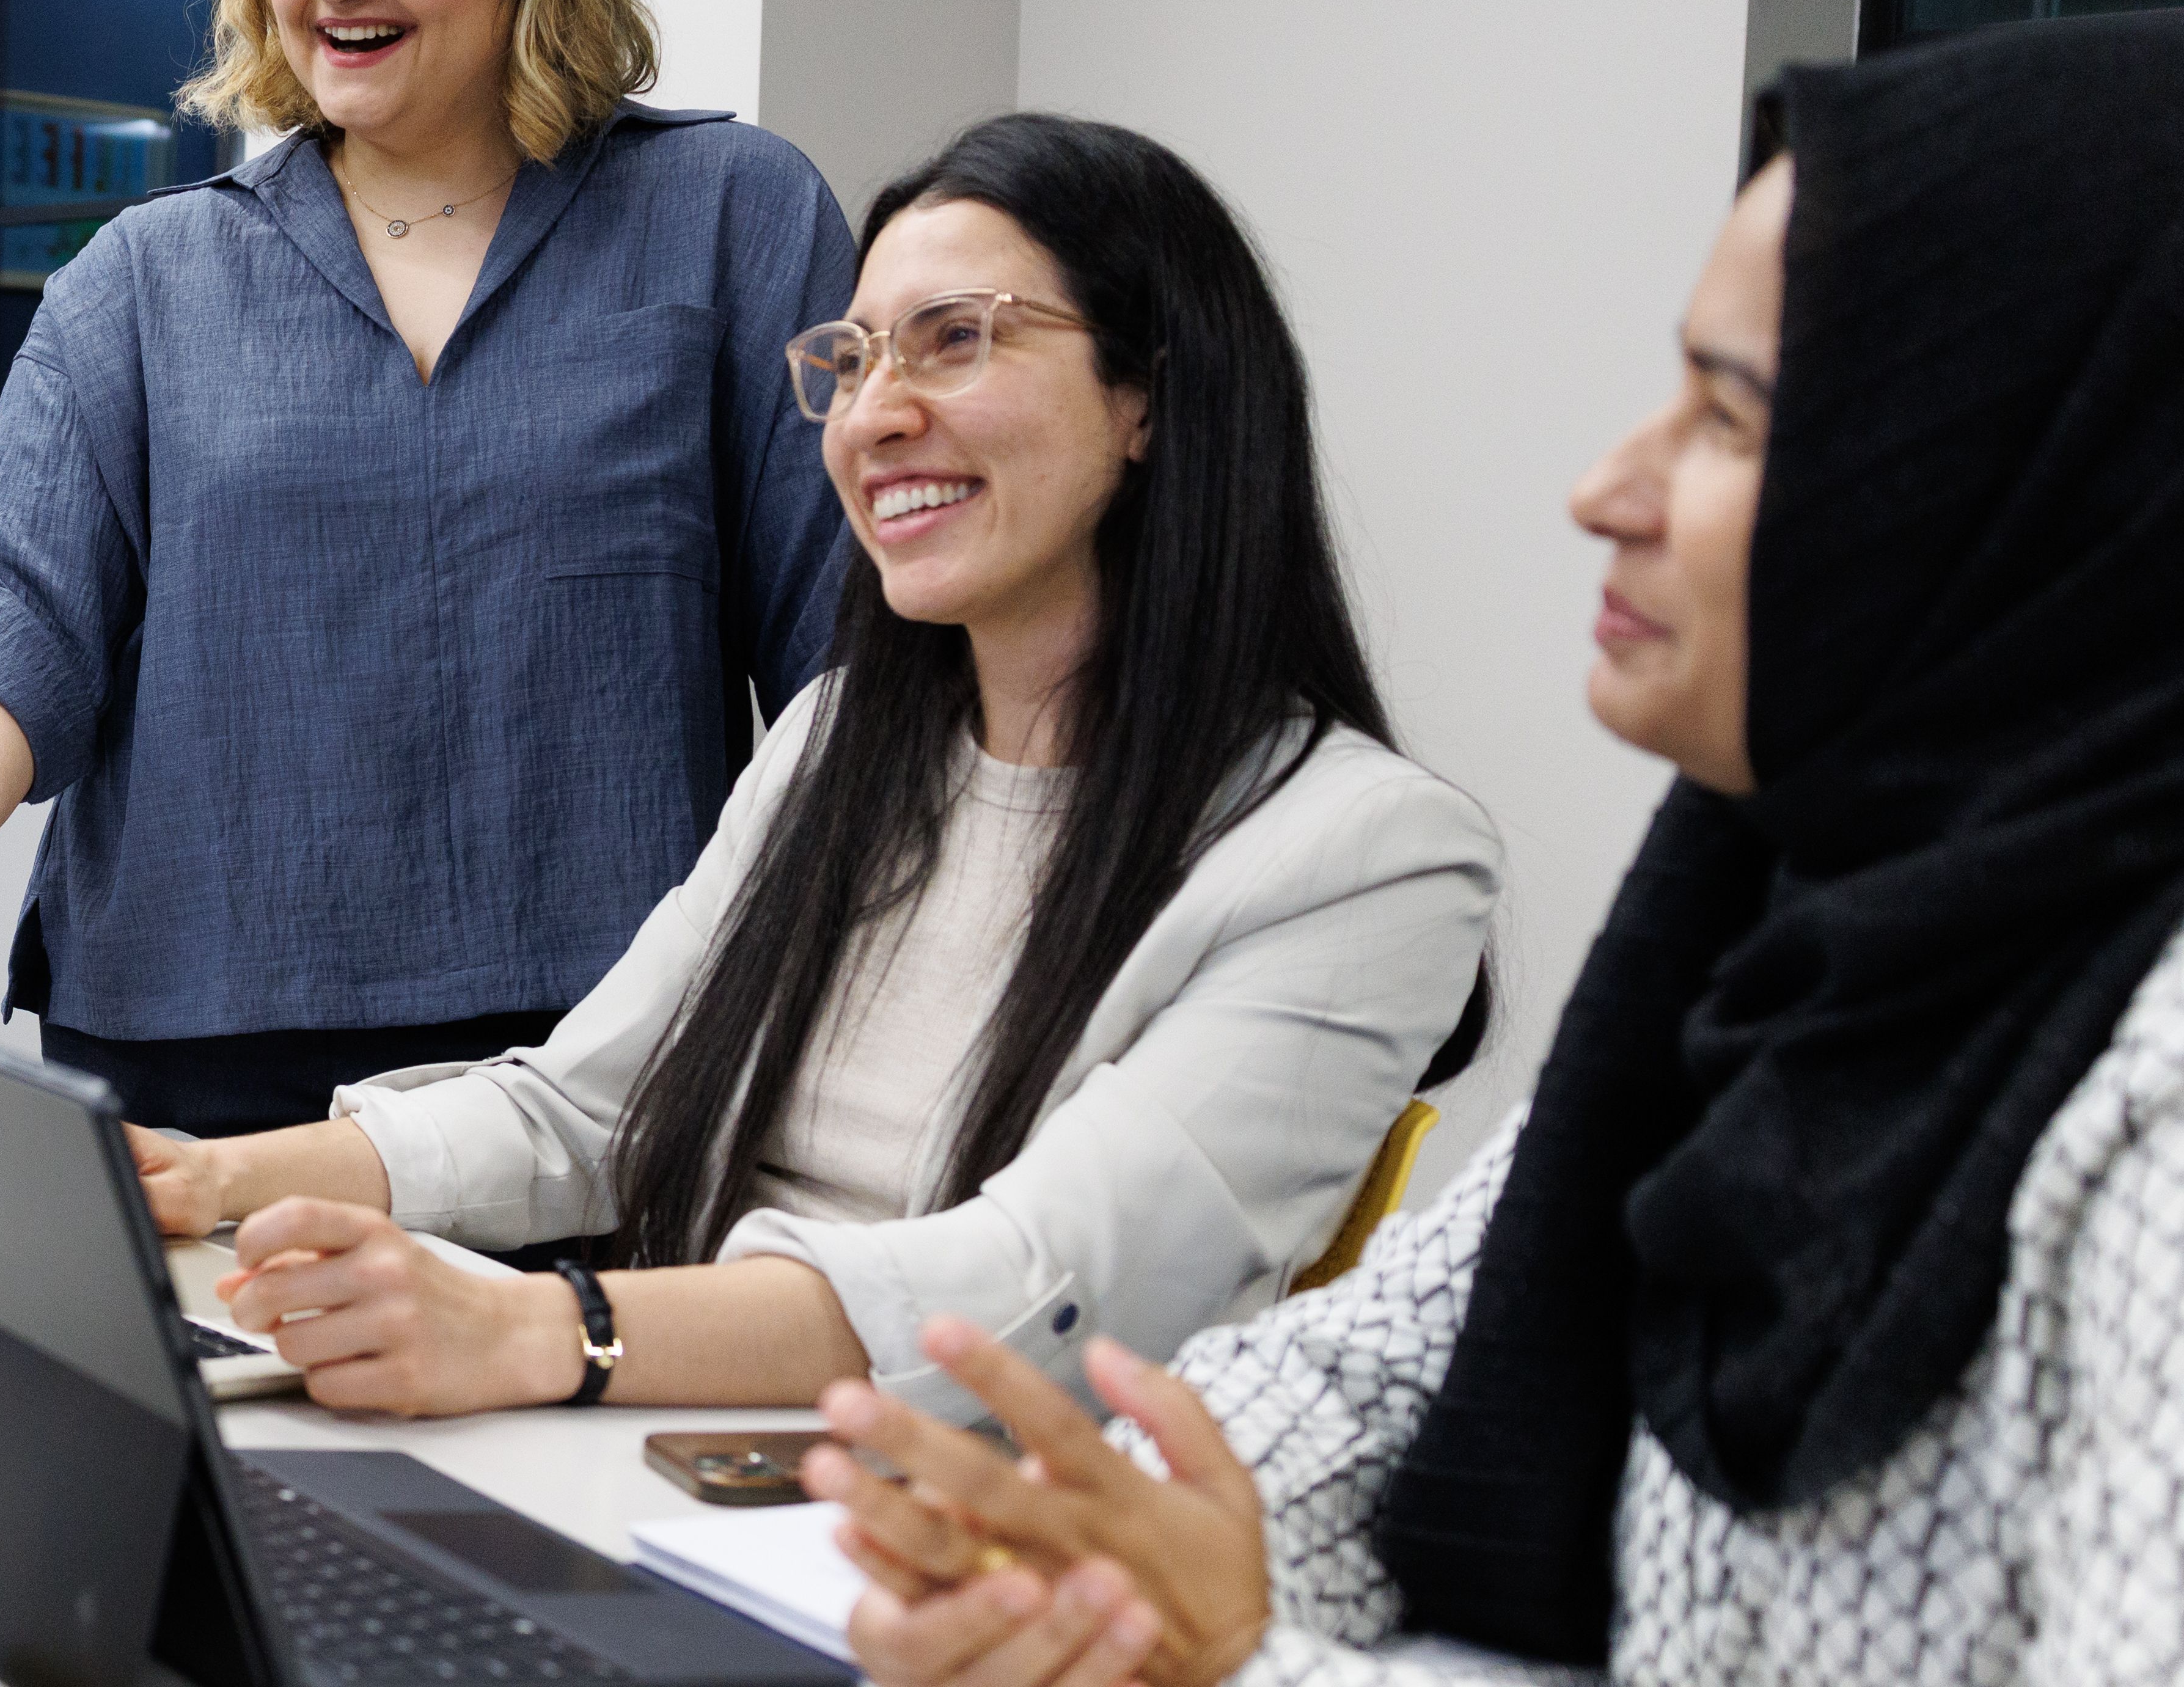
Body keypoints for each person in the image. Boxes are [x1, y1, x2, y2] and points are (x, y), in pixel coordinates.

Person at [817, 24, 2184, 1687]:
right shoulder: (1787, 892)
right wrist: (1085, 1559)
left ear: (2034, 470)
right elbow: (1388, 1364)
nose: (1608, 483)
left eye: (1728, 412)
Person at [146, 115, 1495, 1416]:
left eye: (953, 341)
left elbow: (1039, 1288)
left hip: (969, 1541)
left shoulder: (1364, 852)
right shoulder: (841, 740)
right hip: (681, 1445)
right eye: (850, 361)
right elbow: (593, 1108)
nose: (873, 416)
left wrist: (535, 1329)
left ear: (1148, 395)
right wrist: (206, 1181)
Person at [0, 0, 862, 1137]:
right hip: (195, 1039)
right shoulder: (143, 277)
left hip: (611, 1034)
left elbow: (847, 637)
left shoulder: (730, 215)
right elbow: (18, 614)